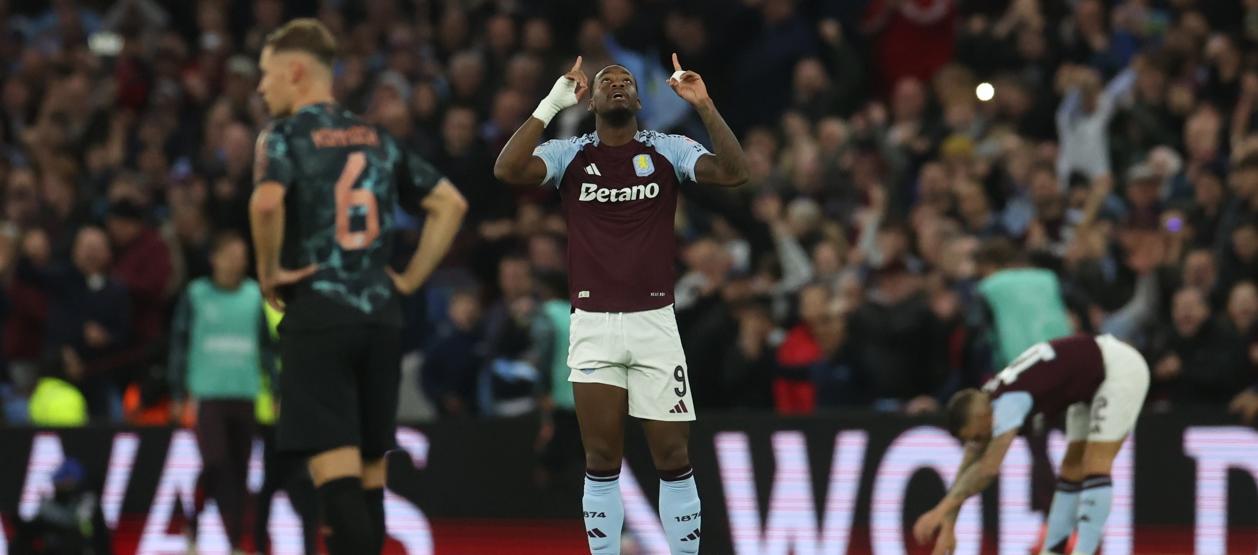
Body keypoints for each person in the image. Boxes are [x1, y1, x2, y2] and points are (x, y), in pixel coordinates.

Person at [494, 53, 749, 554]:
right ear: (590, 102)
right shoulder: (570, 153)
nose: (617, 85)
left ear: (637, 99)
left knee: (674, 455)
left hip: (655, 322)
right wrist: (549, 103)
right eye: (607, 81)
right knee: (602, 455)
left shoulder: (669, 149)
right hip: (592, 325)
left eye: (626, 81)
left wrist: (704, 104)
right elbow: (507, 169)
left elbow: (734, 172)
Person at [249, 19, 467, 555]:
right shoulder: (376, 138)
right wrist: (412, 278)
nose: (260, 87)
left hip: (320, 314)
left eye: (266, 74)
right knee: (369, 480)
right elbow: (450, 204)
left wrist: (269, 270)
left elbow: (267, 202)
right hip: (381, 318)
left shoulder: (284, 135)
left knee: (335, 478)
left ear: (296, 72)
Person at [913, 334, 1150, 555]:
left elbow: (987, 469)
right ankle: (1053, 550)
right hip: (1090, 380)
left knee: (1095, 462)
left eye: (975, 436)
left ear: (983, 418)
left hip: (1118, 370)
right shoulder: (987, 401)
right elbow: (968, 466)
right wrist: (948, 525)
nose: (977, 443)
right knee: (1071, 467)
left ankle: (1085, 551)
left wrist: (940, 511)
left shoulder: (1008, 403)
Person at [167, 231, 272, 554]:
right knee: (216, 463)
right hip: (208, 395)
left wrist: (277, 389)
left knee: (240, 472)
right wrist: (176, 392)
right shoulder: (197, 295)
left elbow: (266, 348)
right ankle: (194, 525)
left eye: (242, 255)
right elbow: (180, 344)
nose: (238, 261)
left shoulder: (255, 295)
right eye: (231, 254)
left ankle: (234, 542)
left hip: (245, 393)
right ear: (215, 257)